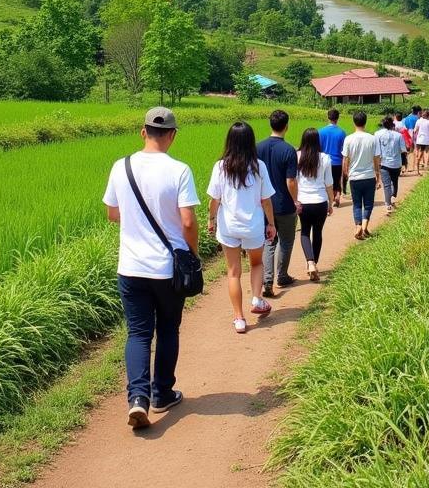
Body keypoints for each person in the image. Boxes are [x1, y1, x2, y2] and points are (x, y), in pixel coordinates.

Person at [103, 106, 200, 429]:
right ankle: (162, 393)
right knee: (168, 329)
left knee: (139, 333)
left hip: (130, 267)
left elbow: (112, 213)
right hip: (167, 270)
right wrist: (193, 255)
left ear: (143, 132)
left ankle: (137, 399)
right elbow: (188, 221)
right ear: (172, 135)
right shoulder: (180, 170)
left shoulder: (121, 166)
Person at [207, 122, 277, 334]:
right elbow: (266, 200)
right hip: (253, 225)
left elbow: (214, 200)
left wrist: (211, 220)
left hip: (229, 226)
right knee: (256, 264)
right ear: (250, 141)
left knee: (233, 272)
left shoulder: (220, 166)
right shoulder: (259, 166)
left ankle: (239, 318)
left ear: (230, 141)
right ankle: (256, 298)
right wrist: (271, 223)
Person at [257, 110, 300, 298]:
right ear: (286, 126)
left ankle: (267, 280)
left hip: (263, 204)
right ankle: (282, 276)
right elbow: (291, 181)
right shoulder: (289, 150)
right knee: (286, 241)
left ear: (270, 125)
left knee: (269, 241)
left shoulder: (258, 148)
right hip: (284, 204)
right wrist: (296, 200)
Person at [295, 127, 334, 280]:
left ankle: (310, 262)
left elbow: (294, 181)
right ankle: (314, 263)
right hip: (320, 201)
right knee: (317, 233)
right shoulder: (325, 158)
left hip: (303, 201)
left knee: (305, 231)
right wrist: (330, 203)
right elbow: (329, 183)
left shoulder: (297, 156)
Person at [342, 110, 381, 239]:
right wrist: (377, 173)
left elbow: (345, 159)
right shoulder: (372, 138)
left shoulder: (348, 139)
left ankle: (358, 226)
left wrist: (346, 173)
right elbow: (376, 158)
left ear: (354, 122)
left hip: (354, 177)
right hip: (369, 176)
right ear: (365, 122)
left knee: (357, 204)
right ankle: (364, 226)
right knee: (369, 203)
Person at [373, 114, 405, 212]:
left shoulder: (377, 134)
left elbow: (376, 150)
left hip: (384, 163)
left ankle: (388, 205)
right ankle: (393, 196)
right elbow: (403, 150)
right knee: (394, 181)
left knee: (386, 185)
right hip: (396, 163)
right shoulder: (398, 135)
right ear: (392, 125)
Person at [318, 108, 346, 208]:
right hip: (337, 161)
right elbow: (344, 150)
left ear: (328, 117)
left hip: (324, 161)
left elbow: (319, 148)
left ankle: (329, 199)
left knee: (326, 181)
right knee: (337, 180)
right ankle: (337, 195)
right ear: (337, 118)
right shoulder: (342, 132)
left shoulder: (321, 132)